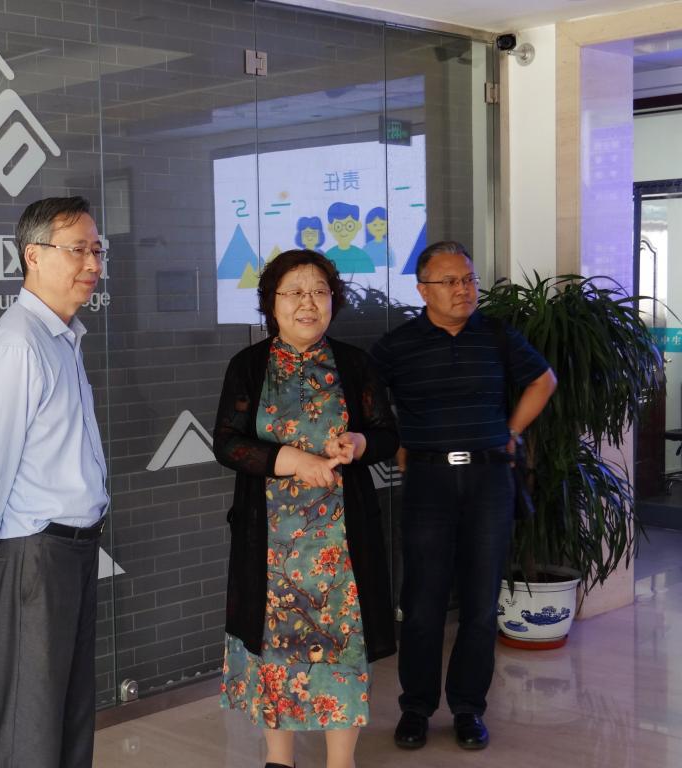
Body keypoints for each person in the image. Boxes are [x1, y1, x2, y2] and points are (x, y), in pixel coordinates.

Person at [214, 248, 398, 768]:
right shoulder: (248, 366)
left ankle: (341, 761)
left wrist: (359, 444)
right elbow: (227, 443)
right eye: (294, 292)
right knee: (275, 649)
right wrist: (291, 460)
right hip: (271, 546)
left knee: (343, 651)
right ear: (271, 303)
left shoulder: (356, 364)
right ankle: (280, 759)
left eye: (319, 291)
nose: (308, 303)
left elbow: (387, 435)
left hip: (340, 547)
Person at [370, 241, 557, 751]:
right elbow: (365, 400)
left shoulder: (496, 335)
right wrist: (396, 440)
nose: (464, 289)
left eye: (469, 279)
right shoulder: (398, 345)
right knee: (423, 601)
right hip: (428, 481)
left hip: (489, 479)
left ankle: (469, 709)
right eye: (450, 281)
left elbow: (543, 381)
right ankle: (416, 708)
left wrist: (512, 431)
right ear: (423, 290)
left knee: (480, 602)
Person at [0, 196, 109, 768]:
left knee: (68, 715)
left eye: (97, 249)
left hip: (72, 547)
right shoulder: (19, 342)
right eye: (78, 249)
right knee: (31, 722)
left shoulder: (61, 337)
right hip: (33, 554)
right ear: (33, 256)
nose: (92, 263)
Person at [324, 203, 374, 274]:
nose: (344, 231)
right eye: (338, 227)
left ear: (358, 226)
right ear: (330, 228)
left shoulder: (363, 257)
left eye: (349, 226)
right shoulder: (327, 256)